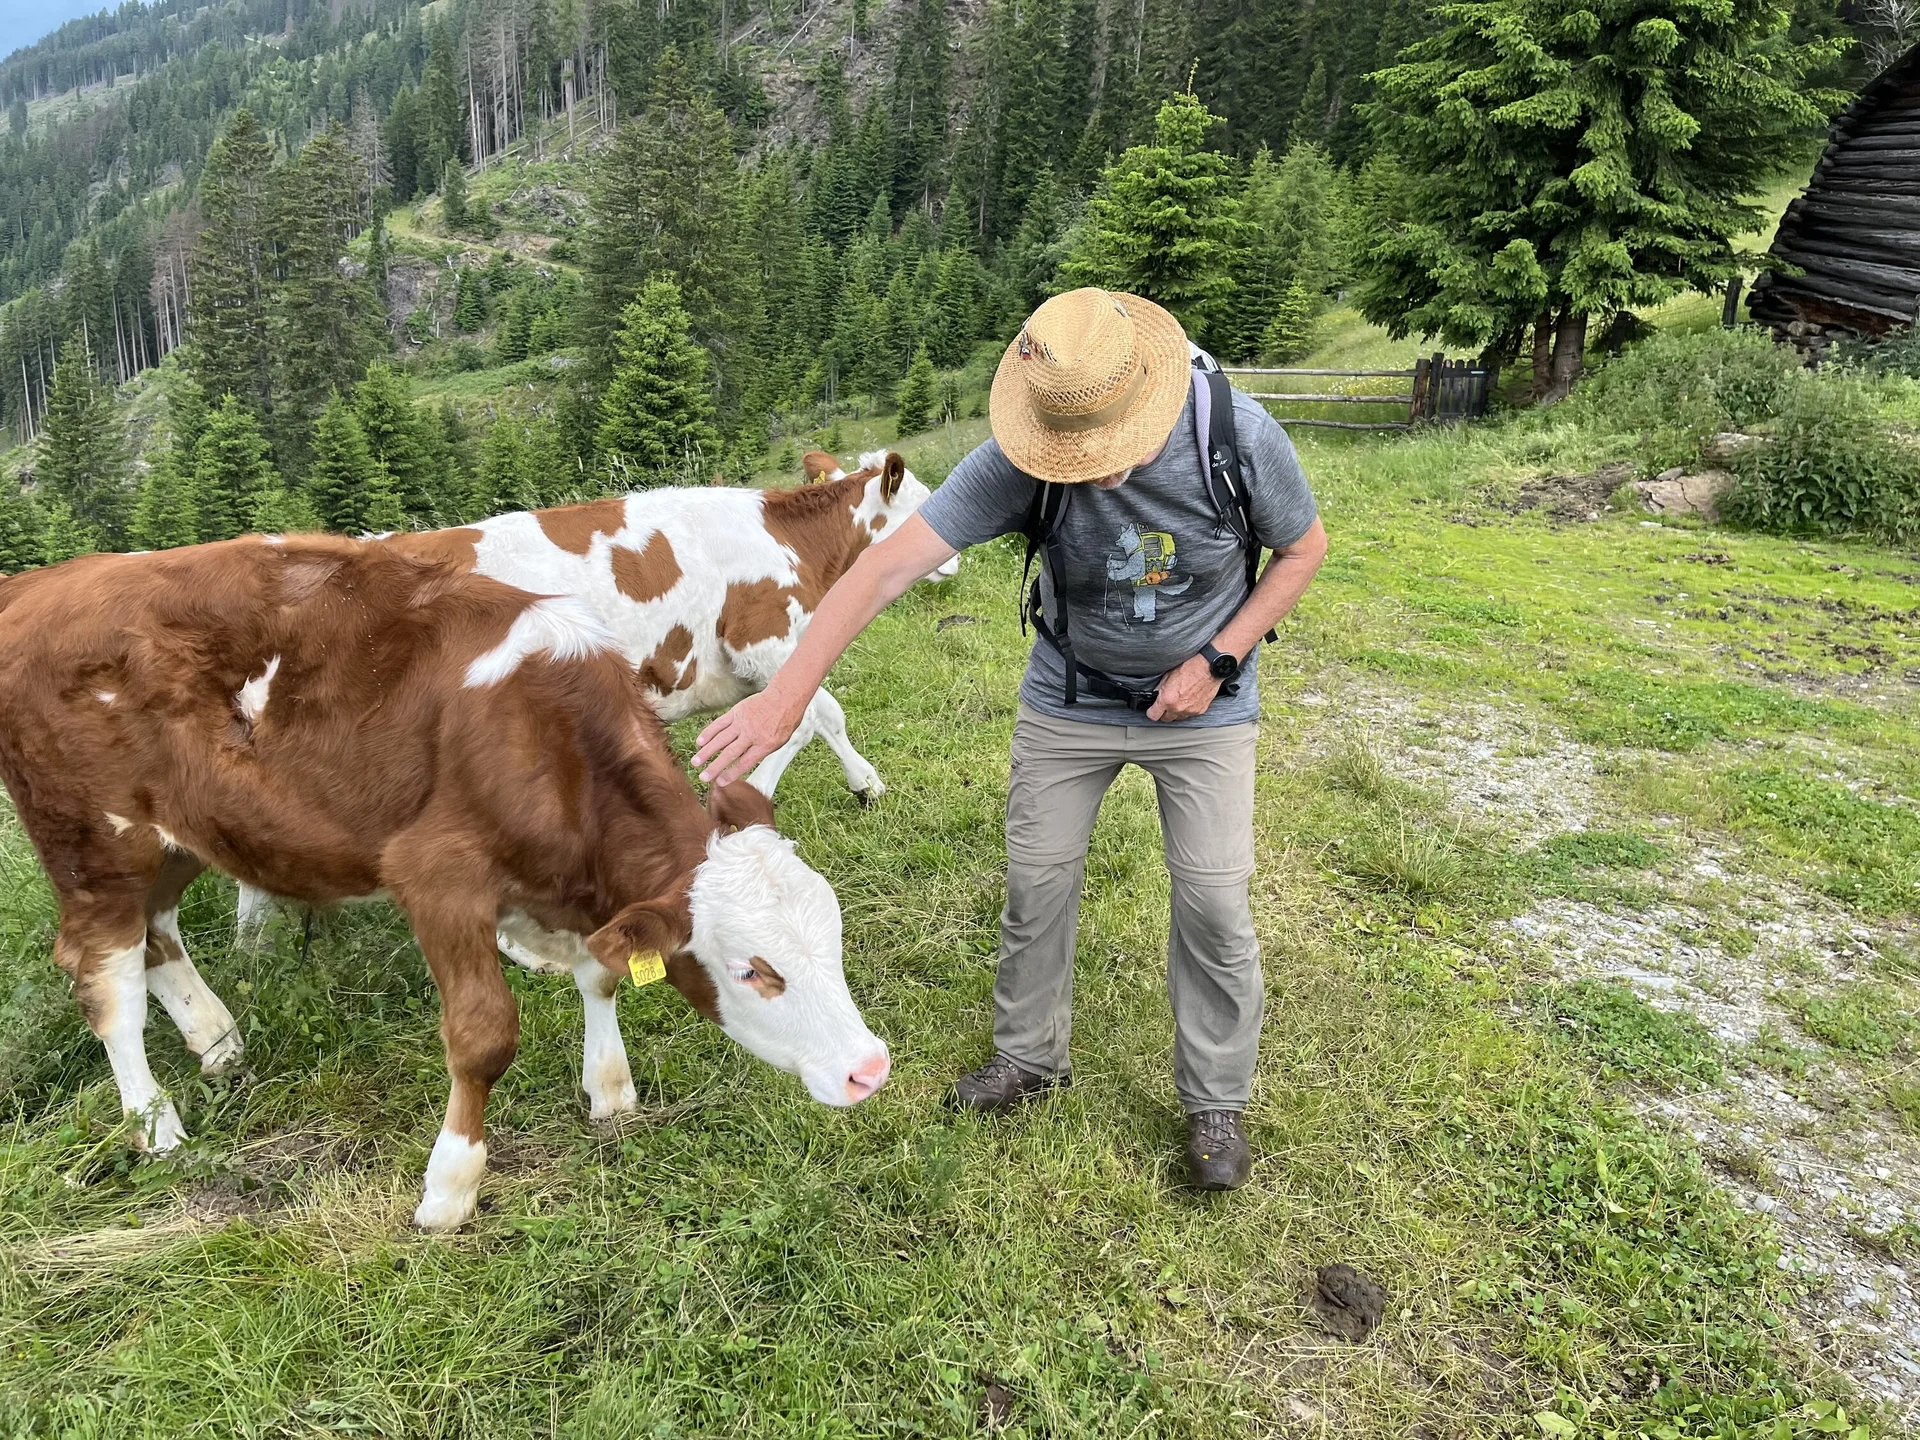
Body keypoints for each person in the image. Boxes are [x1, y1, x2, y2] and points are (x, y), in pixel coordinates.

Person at [695, 287, 1327, 1190]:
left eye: (1111, 450)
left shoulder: (1239, 437)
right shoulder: (1024, 453)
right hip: (1071, 698)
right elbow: (881, 569)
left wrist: (1219, 660)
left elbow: (1304, 550)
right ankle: (1028, 1057)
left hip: (1205, 710)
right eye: (1074, 454)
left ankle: (1215, 1100)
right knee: (1036, 882)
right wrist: (786, 696)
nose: (1095, 472)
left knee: (1216, 905)